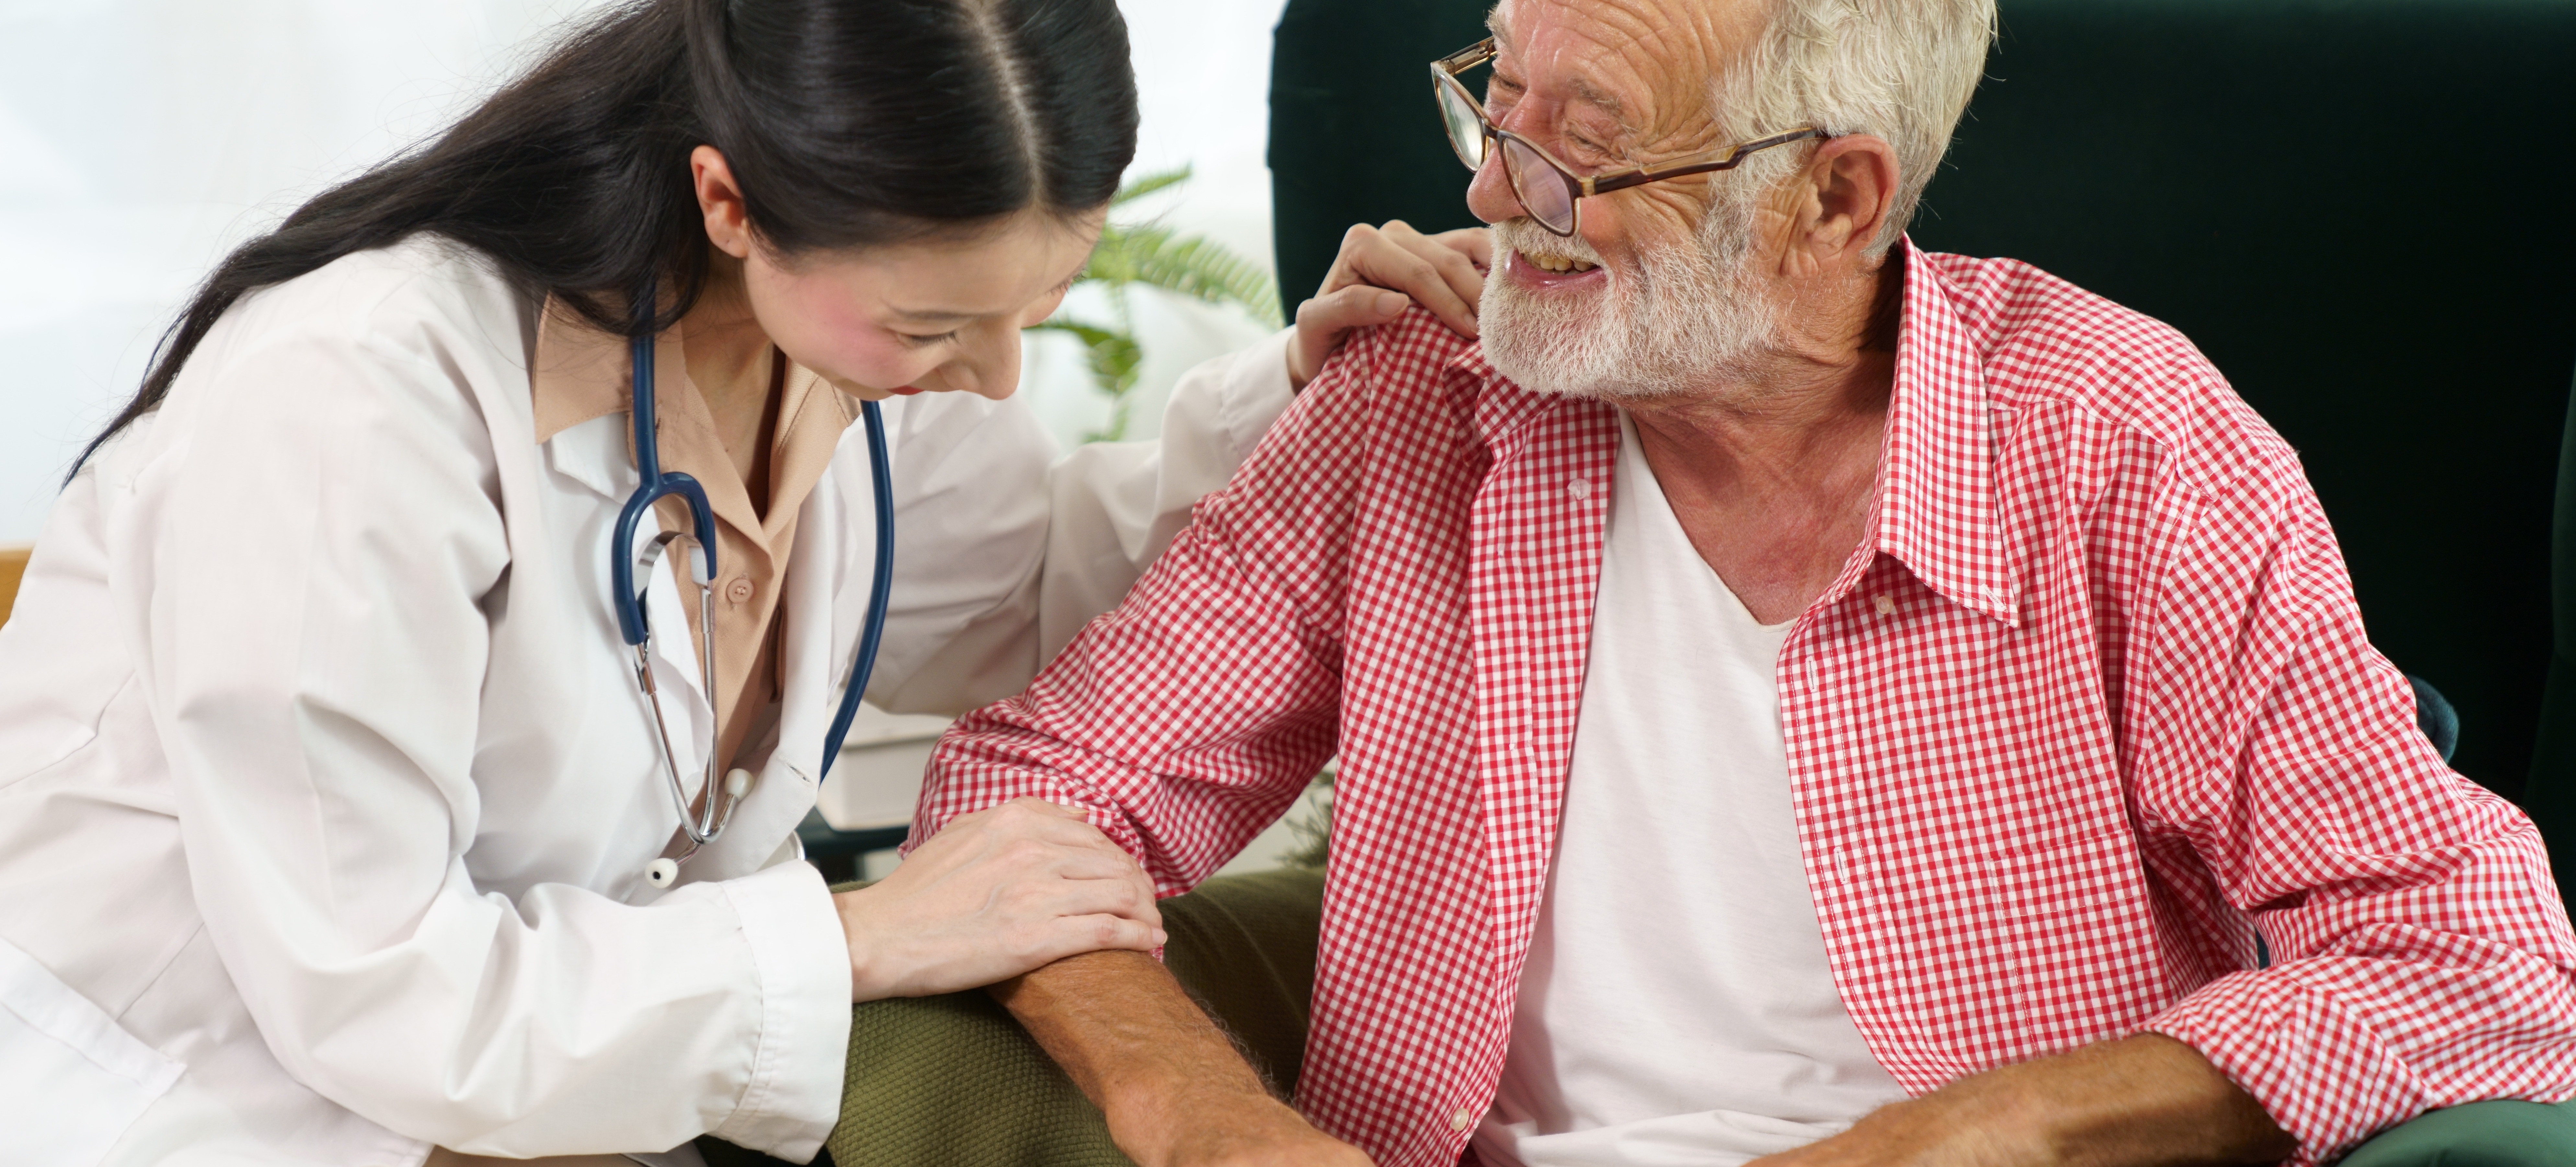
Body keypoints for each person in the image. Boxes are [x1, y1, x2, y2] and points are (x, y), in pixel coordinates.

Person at [910, 0, 2576, 1164]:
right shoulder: (1416, 396)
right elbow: (1033, 786)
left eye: (1585, 152)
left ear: (1832, 198)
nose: (1490, 194)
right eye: (1493, 97)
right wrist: (1201, 1121)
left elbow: (2476, 957)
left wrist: (1980, 1135)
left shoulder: (2113, 441)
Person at [0, 0, 1483, 1163]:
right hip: (204, 1111)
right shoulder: (354, 405)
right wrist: (861, 933)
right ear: (727, 201)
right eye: (934, 324)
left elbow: (1017, 584)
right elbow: (380, 987)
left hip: (542, 1111)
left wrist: (1292, 387)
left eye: (1039, 302)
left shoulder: (827, 355)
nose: (994, 374)